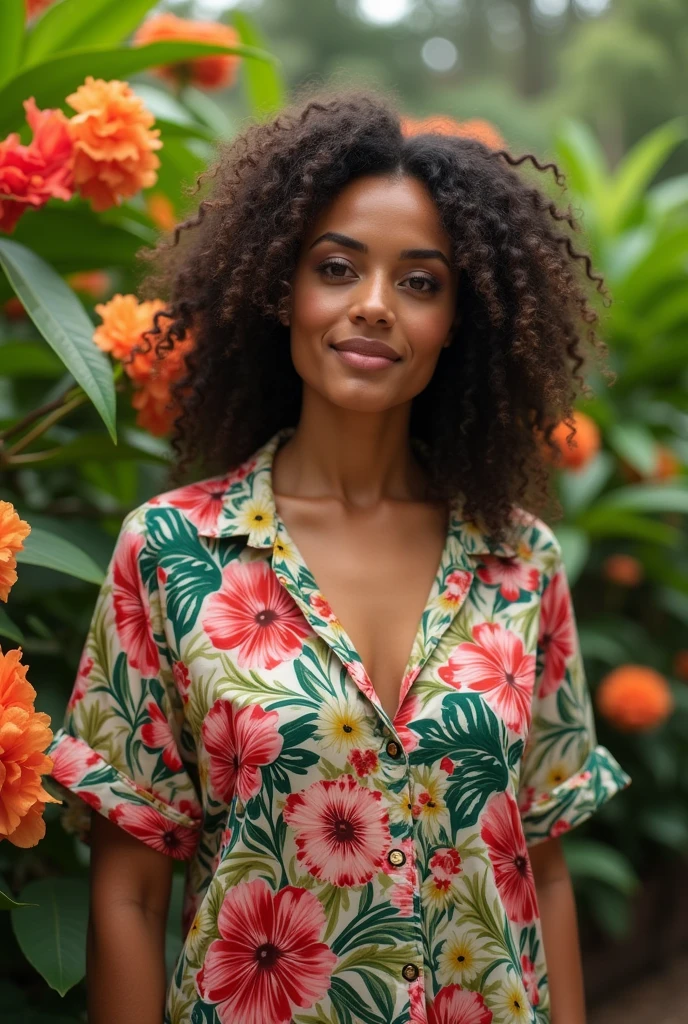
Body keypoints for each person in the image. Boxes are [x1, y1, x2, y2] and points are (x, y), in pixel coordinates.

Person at [46, 89, 630, 1024]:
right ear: (282, 289)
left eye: (420, 282)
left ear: (459, 321)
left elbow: (543, 867)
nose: (372, 307)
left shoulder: (523, 564)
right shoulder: (171, 554)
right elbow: (127, 893)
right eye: (337, 267)